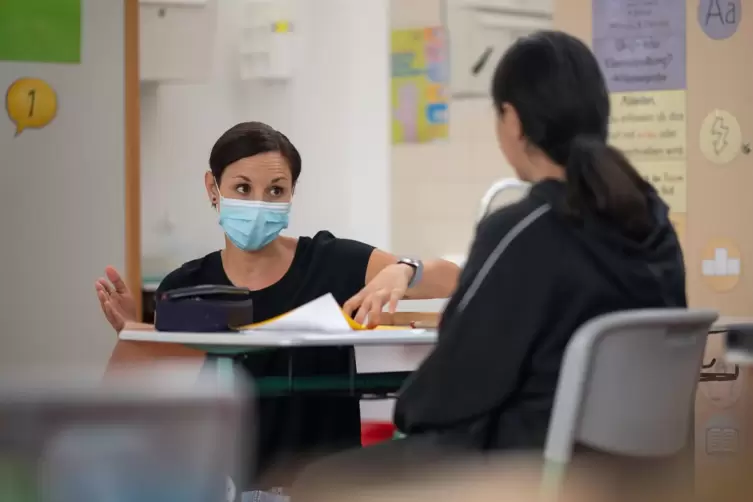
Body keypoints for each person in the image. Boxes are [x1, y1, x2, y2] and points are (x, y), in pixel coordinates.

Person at [292, 30, 686, 490]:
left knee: (320, 481)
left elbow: (450, 389)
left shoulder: (524, 228)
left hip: (519, 469)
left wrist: (407, 409)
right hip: (632, 475)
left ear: (512, 121)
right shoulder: (654, 226)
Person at [94, 121, 460, 495]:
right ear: (212, 188)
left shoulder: (330, 262)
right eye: (242, 188)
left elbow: (455, 280)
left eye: (275, 190)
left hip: (327, 487)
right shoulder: (187, 287)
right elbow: (128, 415)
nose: (258, 203)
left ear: (291, 194)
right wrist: (137, 335)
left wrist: (405, 270)